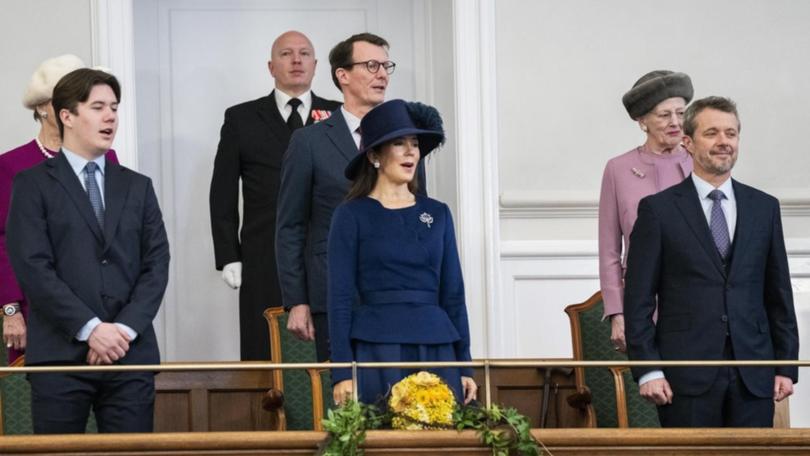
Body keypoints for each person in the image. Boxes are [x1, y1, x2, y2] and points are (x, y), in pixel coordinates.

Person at [6, 68, 170, 433]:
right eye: (98, 107)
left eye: (114, 107)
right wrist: (91, 329)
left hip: (130, 355)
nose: (110, 116)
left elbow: (156, 265)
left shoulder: (137, 186)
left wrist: (122, 330)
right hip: (59, 358)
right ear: (67, 115)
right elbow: (33, 267)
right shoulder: (32, 184)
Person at [624, 96, 799, 427]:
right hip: (685, 375)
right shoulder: (657, 211)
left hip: (754, 373)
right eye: (712, 133)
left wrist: (785, 366)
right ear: (688, 142)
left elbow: (779, 295)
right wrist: (649, 368)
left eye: (731, 134)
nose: (724, 142)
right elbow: (638, 302)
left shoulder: (765, 207)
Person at [276, 33, 426, 362]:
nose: (382, 74)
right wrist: (297, 300)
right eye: (371, 65)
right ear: (342, 75)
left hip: (398, 295)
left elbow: (419, 220)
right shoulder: (309, 142)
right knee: (346, 400)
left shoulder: (406, 143)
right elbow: (290, 227)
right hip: (334, 295)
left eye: (386, 66)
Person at [328, 99, 476, 406]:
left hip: (438, 346)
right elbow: (339, 298)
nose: (411, 151)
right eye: (399, 143)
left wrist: (465, 365)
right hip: (376, 347)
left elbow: (454, 294)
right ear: (374, 155)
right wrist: (341, 370)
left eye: (415, 144)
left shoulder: (439, 213)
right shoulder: (351, 215)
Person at [209, 31, 341, 361]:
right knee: (264, 351)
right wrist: (229, 255)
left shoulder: (340, 116)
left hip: (328, 252)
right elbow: (223, 191)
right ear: (271, 66)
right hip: (263, 255)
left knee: (328, 351)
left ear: (315, 65)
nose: (296, 60)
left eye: (304, 54)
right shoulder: (240, 118)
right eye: (286, 54)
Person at [0, 55, 119, 364]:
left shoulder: (107, 159)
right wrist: (10, 308)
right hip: (37, 310)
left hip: (101, 310)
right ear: (43, 107)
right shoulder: (11, 165)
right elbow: (3, 241)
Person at [598, 70, 694, 352]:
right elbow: (609, 249)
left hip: (699, 303)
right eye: (664, 115)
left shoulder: (702, 164)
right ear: (642, 121)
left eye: (681, 112)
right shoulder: (618, 169)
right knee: (653, 387)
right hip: (643, 302)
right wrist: (617, 311)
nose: (675, 122)